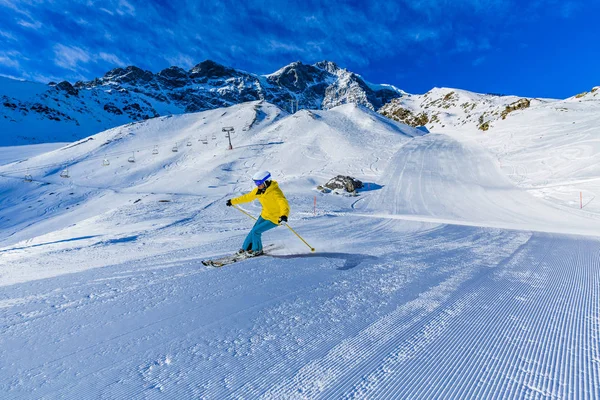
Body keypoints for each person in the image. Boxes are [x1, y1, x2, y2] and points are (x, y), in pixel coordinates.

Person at [226, 171, 290, 256]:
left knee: (256, 231)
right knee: (253, 231)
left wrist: (284, 216)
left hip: (275, 218)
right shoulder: (259, 190)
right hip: (264, 215)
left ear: (266, 181)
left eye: (259, 182)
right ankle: (245, 248)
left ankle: (257, 250)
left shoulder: (275, 192)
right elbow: (247, 197)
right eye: (256, 183)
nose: (257, 185)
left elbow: (284, 204)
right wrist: (232, 201)